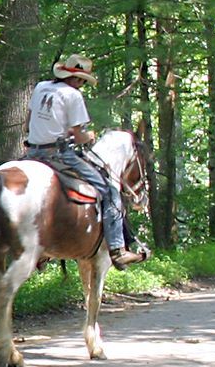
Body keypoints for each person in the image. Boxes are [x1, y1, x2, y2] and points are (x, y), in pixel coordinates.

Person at [23, 53, 145, 270]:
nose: (81, 85)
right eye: (82, 81)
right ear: (78, 79)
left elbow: (31, 119)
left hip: (32, 152)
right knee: (109, 191)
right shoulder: (73, 95)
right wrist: (90, 137)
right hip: (58, 155)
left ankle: (38, 248)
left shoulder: (41, 87)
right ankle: (118, 249)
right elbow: (80, 137)